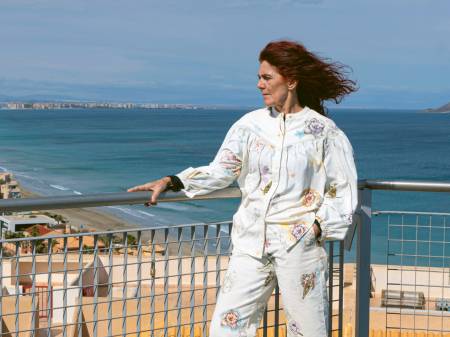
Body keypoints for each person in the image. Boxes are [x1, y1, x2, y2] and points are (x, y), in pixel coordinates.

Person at [128, 40, 358, 337]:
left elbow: (342, 190)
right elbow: (222, 170)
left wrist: (314, 229)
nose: (259, 84)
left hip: (298, 246)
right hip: (250, 245)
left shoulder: (324, 132)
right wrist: (174, 181)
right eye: (259, 77)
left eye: (267, 77)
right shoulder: (249, 125)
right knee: (226, 328)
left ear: (291, 80)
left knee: (308, 332)